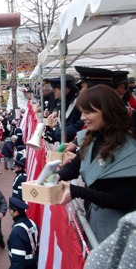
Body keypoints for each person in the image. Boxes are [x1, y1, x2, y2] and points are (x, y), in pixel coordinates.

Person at [57, 85, 136, 242]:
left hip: (117, 230)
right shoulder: (93, 137)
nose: (82, 118)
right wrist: (53, 177)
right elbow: (76, 165)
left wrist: (77, 191)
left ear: (108, 112)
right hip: (96, 220)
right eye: (82, 112)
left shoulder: (129, 150)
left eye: (88, 112)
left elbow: (123, 200)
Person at [7, 197, 38, 269]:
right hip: (33, 264)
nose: (9, 211)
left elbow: (18, 261)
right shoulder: (33, 223)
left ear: (16, 212)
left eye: (10, 209)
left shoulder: (16, 232)